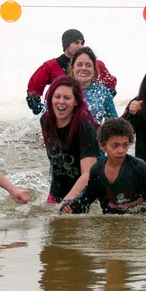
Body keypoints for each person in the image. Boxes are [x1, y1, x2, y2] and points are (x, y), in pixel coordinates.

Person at [59, 118, 146, 218]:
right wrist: (70, 207)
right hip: (111, 220)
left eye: (125, 145)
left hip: (141, 219)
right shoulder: (96, 171)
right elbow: (87, 199)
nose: (121, 151)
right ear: (102, 145)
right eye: (115, 146)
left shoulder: (139, 167)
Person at [25, 29, 116, 114]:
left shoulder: (97, 65)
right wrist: (36, 105)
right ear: (67, 44)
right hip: (57, 109)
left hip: (88, 110)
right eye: (76, 42)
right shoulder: (51, 65)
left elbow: (110, 83)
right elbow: (34, 86)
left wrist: (103, 100)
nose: (80, 46)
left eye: (82, 43)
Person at [40, 75, 100, 203]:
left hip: (83, 197)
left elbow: (88, 174)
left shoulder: (85, 128)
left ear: (76, 102)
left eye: (67, 98)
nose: (61, 101)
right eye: (57, 97)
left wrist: (66, 202)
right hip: (55, 193)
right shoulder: (46, 120)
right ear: (50, 98)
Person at [69, 46, 117, 123]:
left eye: (88, 65)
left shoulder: (102, 91)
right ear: (73, 67)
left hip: (95, 134)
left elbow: (114, 122)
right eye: (79, 64)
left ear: (94, 69)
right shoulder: (62, 88)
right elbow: (44, 117)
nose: (84, 68)